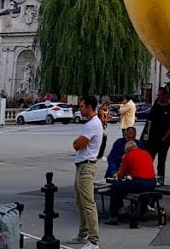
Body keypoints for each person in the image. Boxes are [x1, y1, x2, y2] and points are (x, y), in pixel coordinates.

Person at [68, 95, 102, 248]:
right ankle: (83, 234)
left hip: (86, 167)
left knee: (88, 203)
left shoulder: (92, 124)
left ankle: (94, 240)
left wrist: (77, 141)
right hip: (82, 165)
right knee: (81, 202)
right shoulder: (91, 123)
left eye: (81, 106)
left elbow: (77, 145)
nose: (79, 109)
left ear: (89, 107)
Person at [105, 140, 158, 225]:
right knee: (142, 191)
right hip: (152, 182)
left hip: (140, 183)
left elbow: (120, 176)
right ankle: (142, 213)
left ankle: (113, 216)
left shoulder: (128, 156)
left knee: (116, 187)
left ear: (127, 149)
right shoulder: (146, 153)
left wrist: (124, 160)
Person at [143, 87, 170, 183]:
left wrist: (165, 138)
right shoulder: (155, 107)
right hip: (152, 140)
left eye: (160, 95)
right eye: (158, 95)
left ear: (165, 95)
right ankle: (147, 179)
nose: (158, 97)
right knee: (148, 160)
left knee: (161, 163)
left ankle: (161, 181)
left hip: (163, 141)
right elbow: (149, 122)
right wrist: (146, 137)